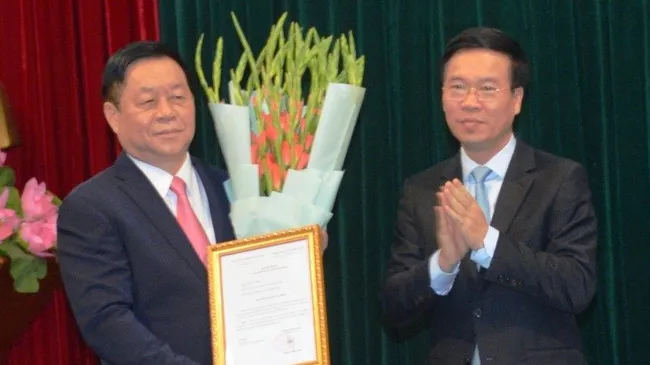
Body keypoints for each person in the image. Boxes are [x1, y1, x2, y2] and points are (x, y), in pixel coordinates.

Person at [57, 41, 328, 365]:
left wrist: (297, 255)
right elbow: (107, 322)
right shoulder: (92, 206)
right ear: (113, 116)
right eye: (147, 101)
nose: (167, 112)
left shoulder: (236, 189)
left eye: (178, 97)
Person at [380, 27, 597, 365]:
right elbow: (394, 306)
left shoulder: (559, 178)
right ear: (442, 97)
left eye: (487, 89)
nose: (469, 102)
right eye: (457, 87)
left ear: (517, 99)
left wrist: (487, 242)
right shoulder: (421, 189)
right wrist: (443, 263)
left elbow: (577, 286)